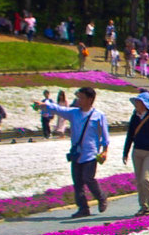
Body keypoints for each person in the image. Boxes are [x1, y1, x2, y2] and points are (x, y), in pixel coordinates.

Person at [35, 87, 109, 218]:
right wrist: (44, 105)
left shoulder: (98, 115)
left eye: (81, 97)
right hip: (76, 152)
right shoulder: (73, 113)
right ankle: (83, 208)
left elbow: (104, 135)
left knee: (88, 178)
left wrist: (105, 151)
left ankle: (101, 197)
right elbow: (58, 109)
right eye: (78, 97)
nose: (78, 100)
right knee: (78, 182)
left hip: (91, 153)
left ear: (90, 99)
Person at [121, 91, 149, 216]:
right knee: (139, 181)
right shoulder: (135, 117)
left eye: (138, 102)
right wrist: (125, 152)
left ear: (144, 103)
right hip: (137, 152)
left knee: (145, 179)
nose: (136, 104)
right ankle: (143, 207)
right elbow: (130, 135)